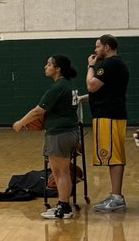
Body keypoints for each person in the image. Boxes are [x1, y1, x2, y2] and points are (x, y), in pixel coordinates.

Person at [14, 55, 80, 220]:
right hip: (69, 132)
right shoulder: (68, 85)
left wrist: (20, 123)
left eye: (49, 64)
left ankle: (64, 208)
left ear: (57, 68)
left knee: (61, 172)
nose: (45, 66)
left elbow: (38, 111)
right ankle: (62, 204)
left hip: (60, 134)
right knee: (59, 172)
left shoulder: (57, 88)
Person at [88, 34, 131, 212]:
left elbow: (91, 86)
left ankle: (117, 198)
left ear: (107, 47)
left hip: (110, 116)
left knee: (114, 157)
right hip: (110, 115)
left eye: (97, 47)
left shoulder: (110, 64)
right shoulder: (115, 65)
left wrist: (90, 66)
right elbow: (102, 91)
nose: (95, 51)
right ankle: (115, 195)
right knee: (113, 157)